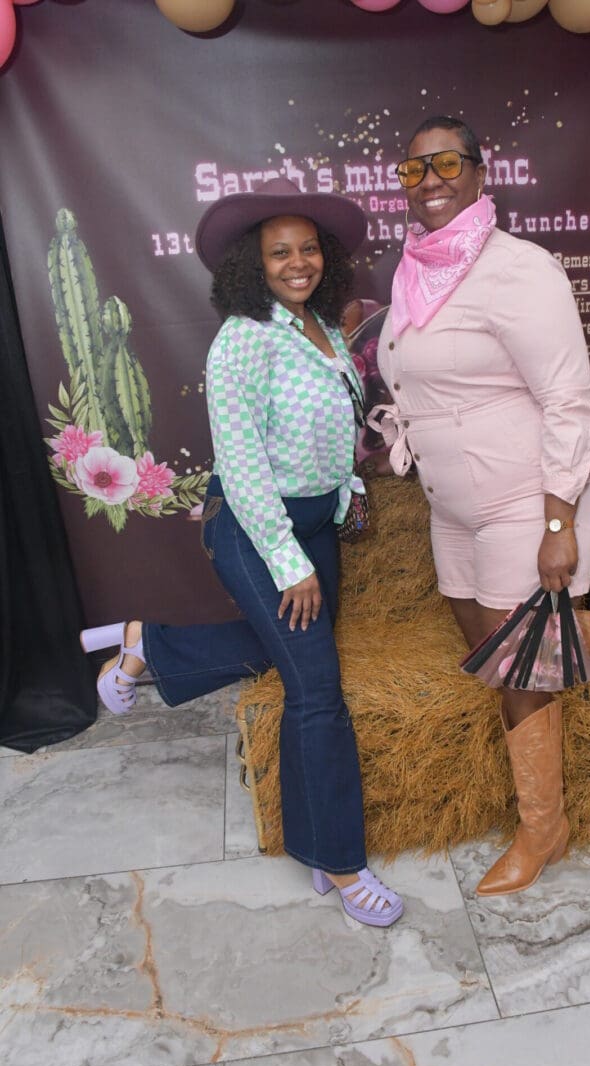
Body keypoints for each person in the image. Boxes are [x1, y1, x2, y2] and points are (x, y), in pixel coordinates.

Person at [371, 115, 590, 898]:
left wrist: (559, 522)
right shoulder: (415, 270)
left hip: (527, 497)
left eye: (447, 163)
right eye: (413, 169)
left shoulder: (517, 270)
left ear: (481, 173)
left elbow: (569, 399)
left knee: (522, 665)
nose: (430, 181)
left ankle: (543, 828)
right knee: (488, 640)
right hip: (452, 504)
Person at [80, 178, 403, 928]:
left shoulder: (320, 326)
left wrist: (348, 482)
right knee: (318, 690)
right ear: (250, 267)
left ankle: (144, 642)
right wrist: (289, 563)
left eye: (309, 248)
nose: (298, 262)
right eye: (279, 253)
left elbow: (329, 427)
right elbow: (247, 463)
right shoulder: (242, 340)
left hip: (315, 520)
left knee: (288, 658)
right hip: (258, 530)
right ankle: (342, 863)